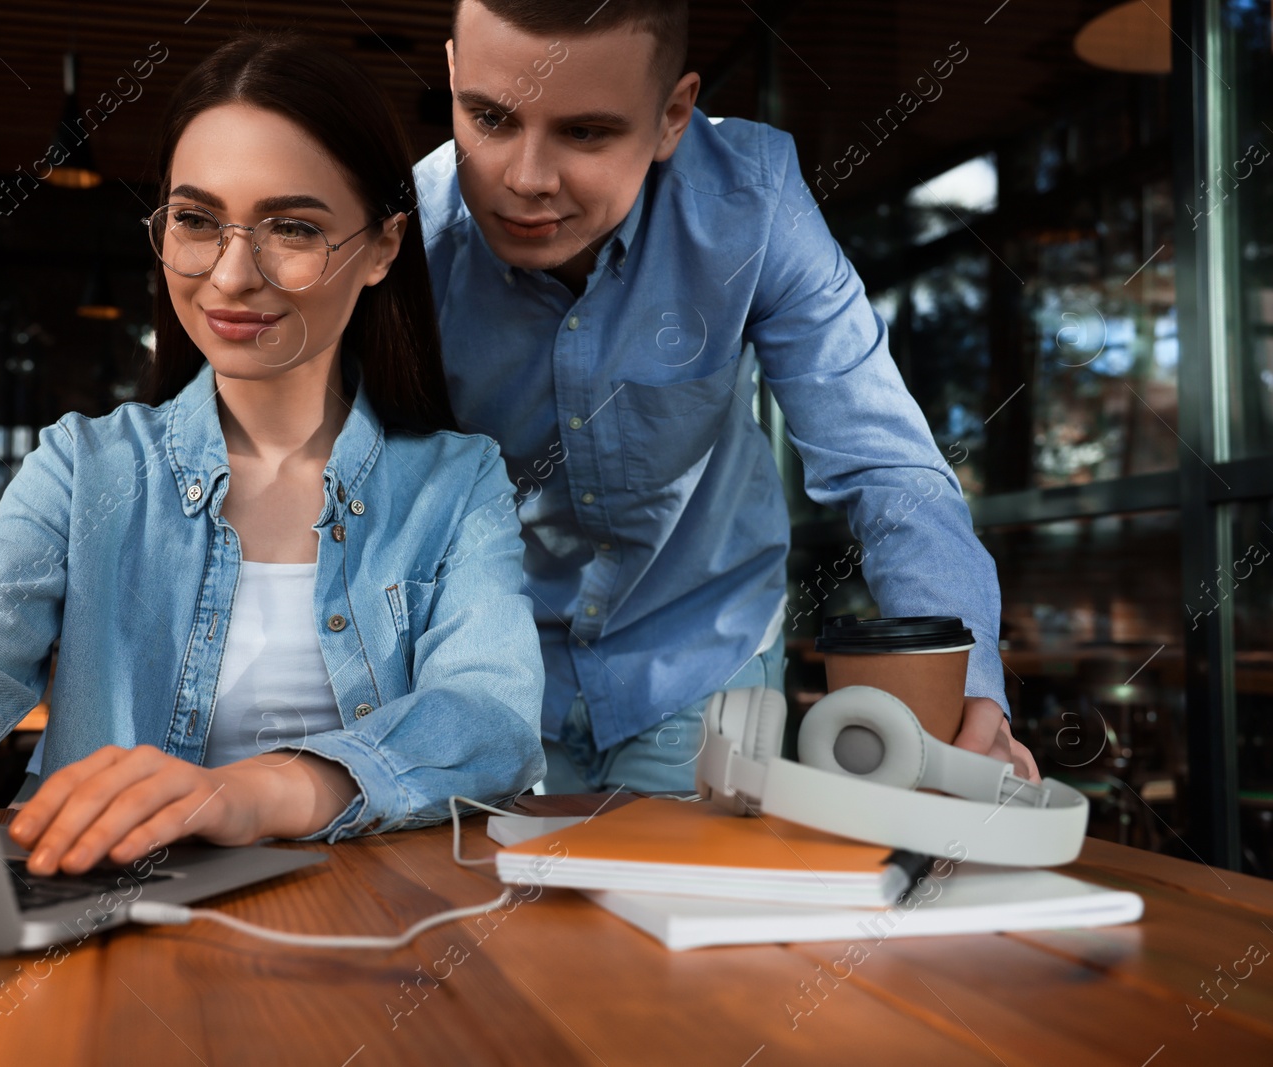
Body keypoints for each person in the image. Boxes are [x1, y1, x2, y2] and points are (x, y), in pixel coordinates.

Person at [0, 31, 545, 878]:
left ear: (382, 246)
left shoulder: (457, 483)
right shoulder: (85, 470)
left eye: (290, 227)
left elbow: (491, 718)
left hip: (366, 941)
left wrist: (259, 792)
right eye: (195, 220)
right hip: (98, 933)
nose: (228, 276)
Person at [412, 0, 1040, 794]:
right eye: (491, 118)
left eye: (586, 133)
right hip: (491, 670)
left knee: (703, 912)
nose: (526, 179)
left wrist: (971, 684)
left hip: (702, 659)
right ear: (454, 79)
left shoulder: (755, 204)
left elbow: (886, 468)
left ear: (673, 116)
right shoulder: (404, 247)